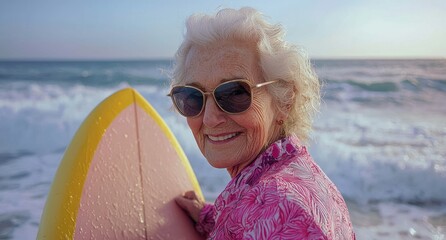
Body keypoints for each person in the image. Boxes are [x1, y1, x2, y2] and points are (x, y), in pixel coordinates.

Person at [170, 7, 355, 239]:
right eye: (193, 96)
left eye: (234, 93)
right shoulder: (288, 181)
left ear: (284, 101)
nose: (209, 118)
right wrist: (212, 219)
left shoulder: (279, 205)